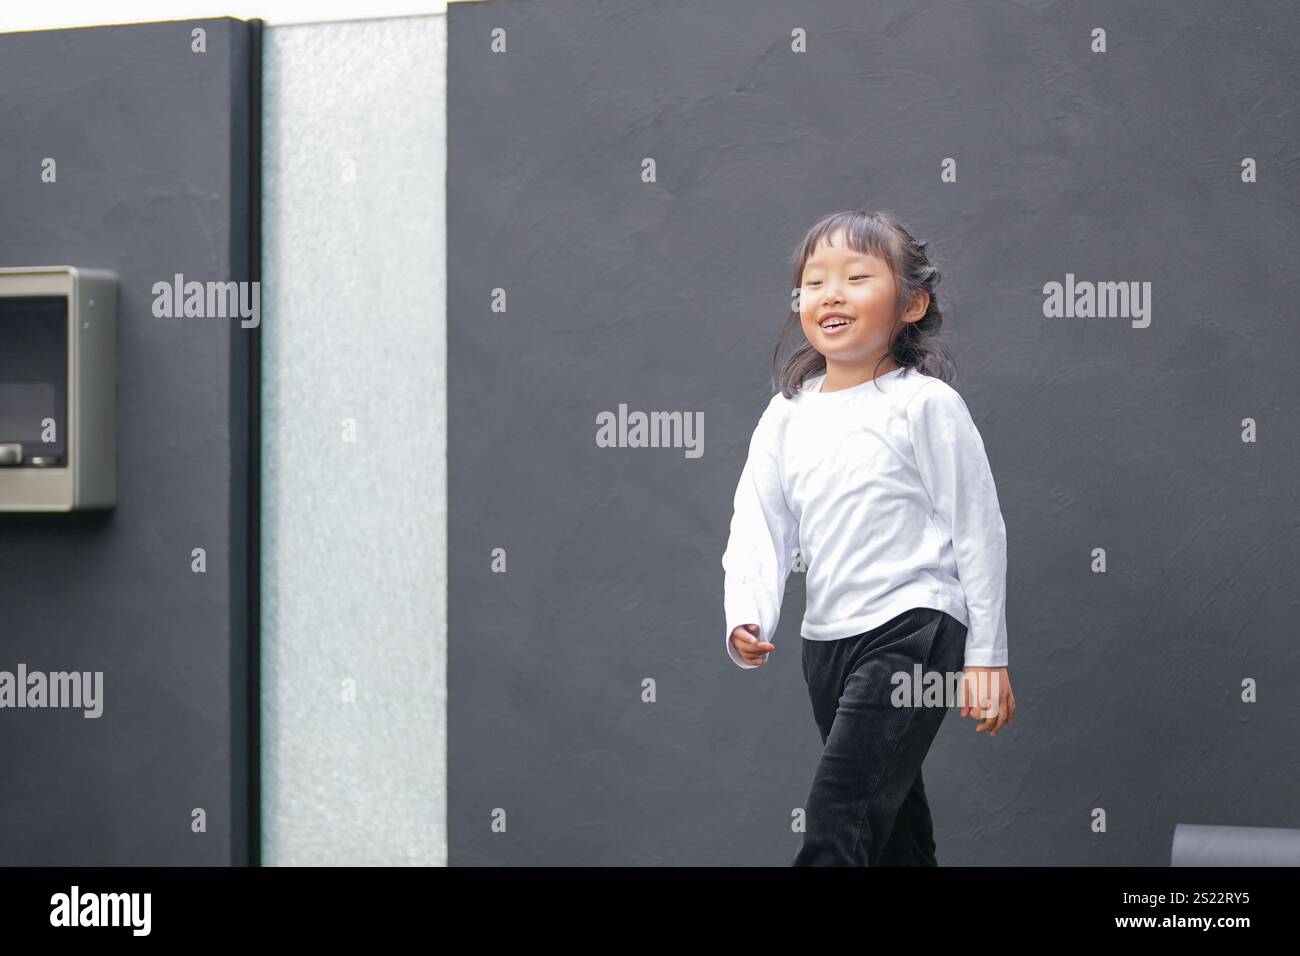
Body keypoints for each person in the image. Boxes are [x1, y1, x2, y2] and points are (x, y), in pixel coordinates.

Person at [721, 209, 1017, 866]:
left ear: (911, 302)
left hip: (913, 629)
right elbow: (760, 525)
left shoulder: (924, 406)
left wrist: (988, 658)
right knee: (891, 829)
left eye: (857, 276)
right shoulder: (787, 414)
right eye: (814, 280)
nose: (830, 293)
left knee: (839, 818)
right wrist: (748, 611)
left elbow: (979, 529)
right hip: (825, 645)